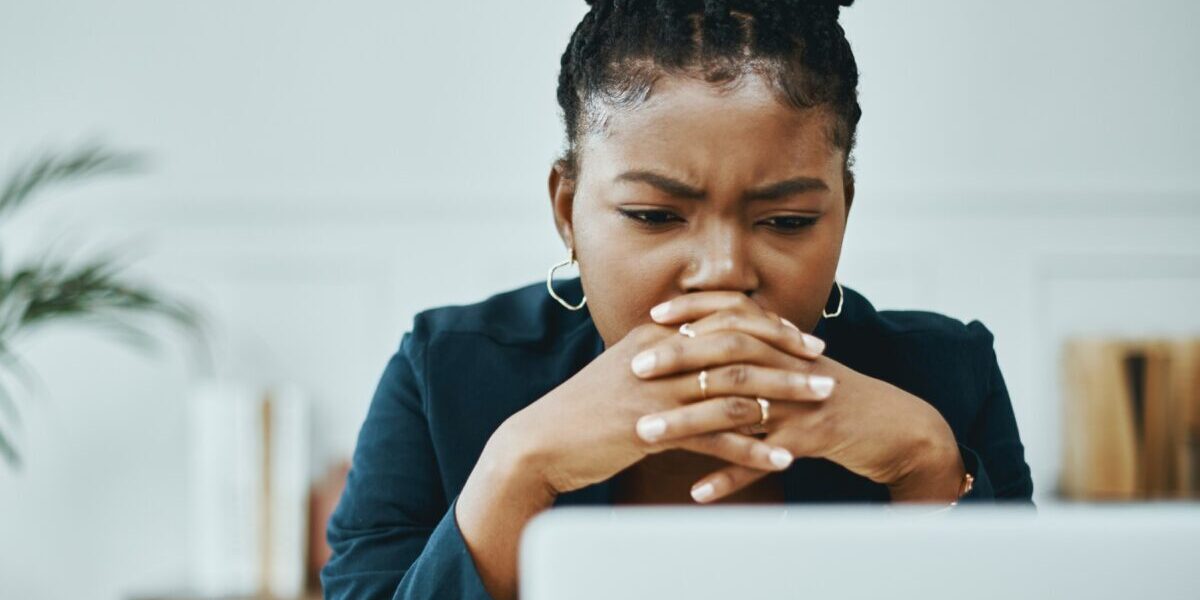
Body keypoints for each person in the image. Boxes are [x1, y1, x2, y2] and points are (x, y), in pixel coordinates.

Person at [320, 1, 1034, 598]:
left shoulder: (947, 378)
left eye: (786, 222)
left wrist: (926, 466)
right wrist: (518, 470)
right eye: (655, 216)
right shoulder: (442, 376)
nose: (722, 274)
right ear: (567, 212)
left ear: (842, 212)